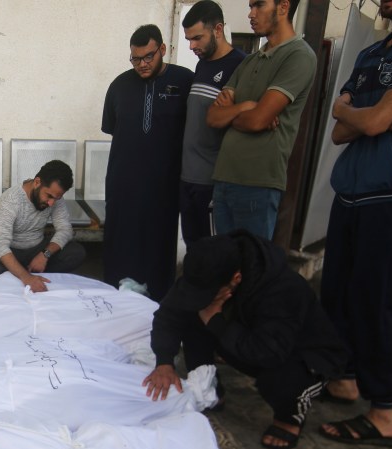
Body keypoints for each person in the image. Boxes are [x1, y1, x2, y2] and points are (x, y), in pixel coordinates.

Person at [318, 0, 392, 447]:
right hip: (351, 188)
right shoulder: (372, 53)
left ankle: (385, 411)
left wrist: (360, 114)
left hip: (391, 191)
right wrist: (361, 115)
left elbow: (374, 121)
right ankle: (345, 379)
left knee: (373, 299)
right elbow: (341, 130)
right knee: (336, 293)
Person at [142, 232, 346, 449]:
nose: (203, 299)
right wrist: (164, 361)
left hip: (304, 354)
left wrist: (215, 320)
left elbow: (270, 353)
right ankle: (210, 388)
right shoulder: (206, 270)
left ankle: (289, 418)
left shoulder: (283, 289)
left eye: (209, 293)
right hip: (251, 338)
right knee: (194, 315)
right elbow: (170, 314)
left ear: (236, 278)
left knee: (278, 379)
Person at [207, 0, 316, 239]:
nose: (250, 14)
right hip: (224, 177)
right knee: (225, 269)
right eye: (250, 6)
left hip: (257, 182)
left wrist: (235, 112)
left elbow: (258, 120)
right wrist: (245, 107)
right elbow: (213, 117)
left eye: (258, 5)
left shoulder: (298, 55)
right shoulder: (250, 60)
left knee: (250, 268)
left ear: (283, 6)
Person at [102, 24, 193, 301]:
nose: (141, 64)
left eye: (148, 57)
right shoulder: (119, 85)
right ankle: (115, 298)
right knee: (121, 240)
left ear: (162, 50)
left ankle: (156, 303)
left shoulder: (185, 81)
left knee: (159, 241)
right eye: (135, 58)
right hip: (123, 183)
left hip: (164, 184)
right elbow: (112, 128)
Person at [179, 1, 246, 246]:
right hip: (187, 178)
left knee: (213, 253)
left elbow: (243, 120)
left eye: (197, 38)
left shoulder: (241, 65)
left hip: (212, 182)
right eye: (188, 39)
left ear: (218, 30)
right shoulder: (202, 64)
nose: (191, 45)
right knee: (193, 248)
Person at [0, 160, 85, 292]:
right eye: (49, 196)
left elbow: (65, 230)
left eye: (56, 199)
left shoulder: (55, 198)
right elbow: (0, 246)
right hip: (10, 249)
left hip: (37, 248)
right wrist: (27, 278)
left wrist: (44, 255)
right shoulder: (11, 200)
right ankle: (27, 274)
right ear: (37, 182)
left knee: (75, 252)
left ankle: (31, 273)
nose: (51, 203)